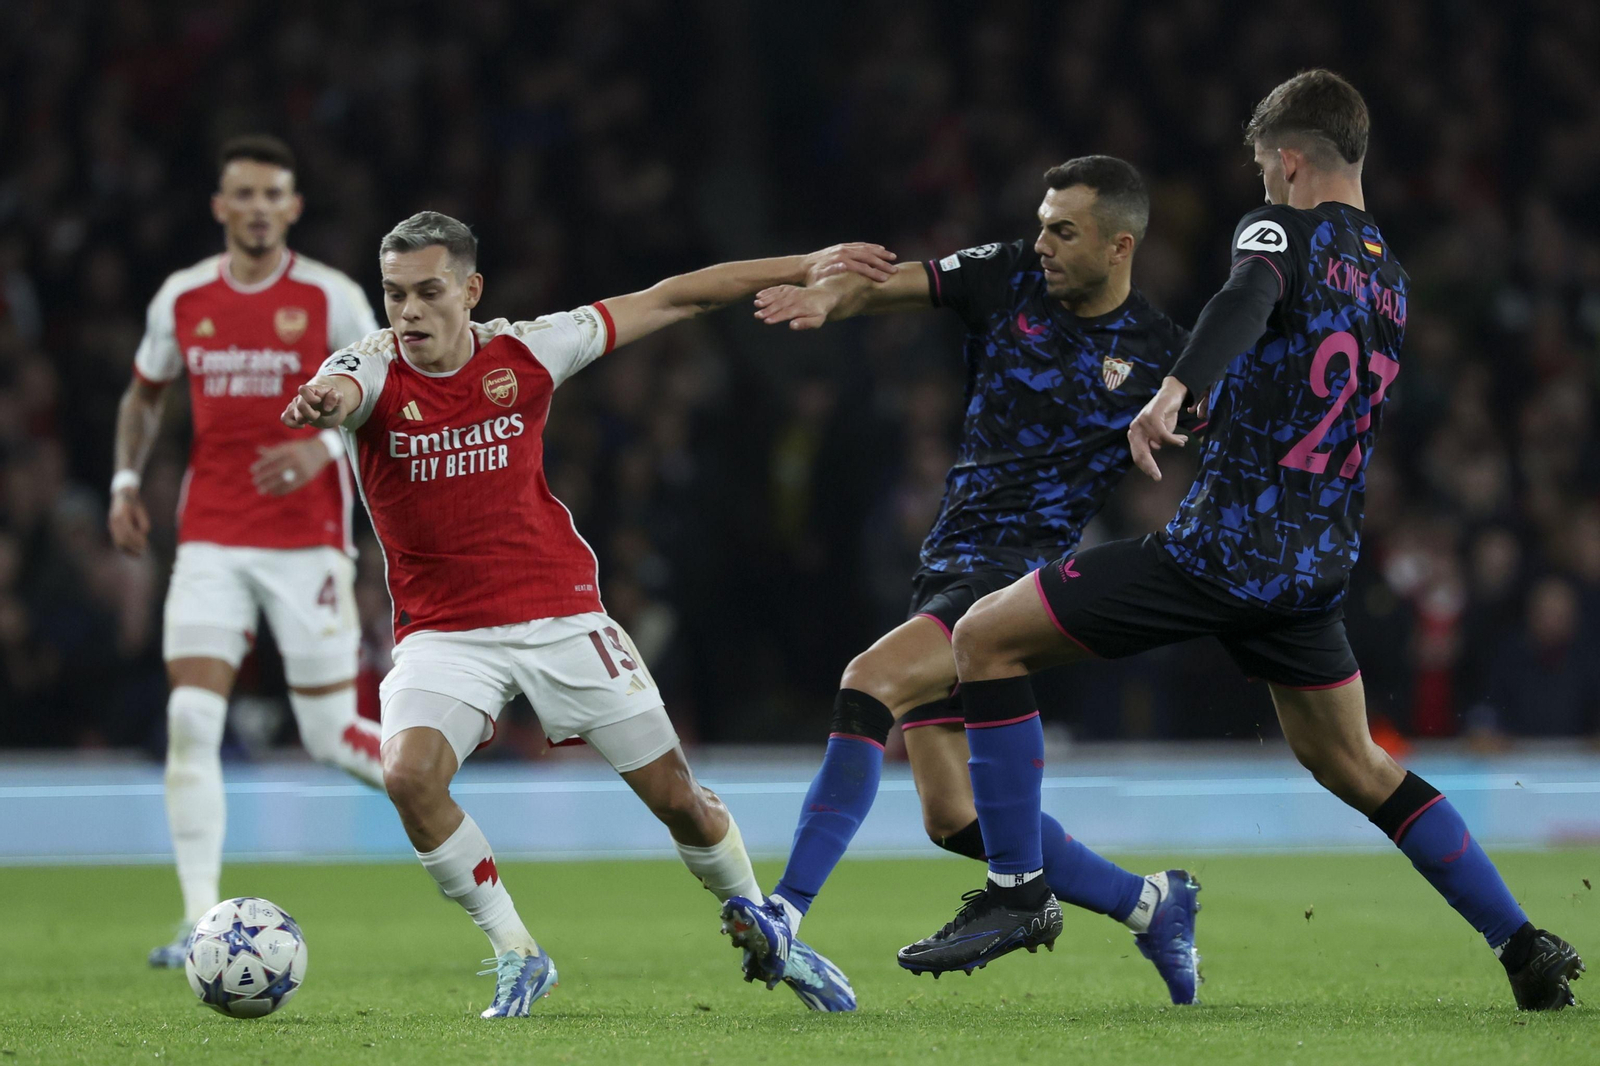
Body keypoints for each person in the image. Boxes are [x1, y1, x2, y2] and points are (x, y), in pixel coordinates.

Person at [903, 70, 1585, 1012]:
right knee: (1357, 764)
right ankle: (1524, 943)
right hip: (1313, 570)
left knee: (982, 637)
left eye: (1268, 169)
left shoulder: (1279, 231)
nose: (1264, 186)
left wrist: (1178, 388)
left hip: (1217, 553)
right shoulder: (1390, 277)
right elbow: (1302, 369)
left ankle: (1019, 891)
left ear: (1293, 161)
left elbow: (1247, 297)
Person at [282, 211, 893, 1017]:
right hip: (445, 634)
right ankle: (517, 952)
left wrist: (805, 258)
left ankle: (767, 924)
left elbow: (674, 297)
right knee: (408, 777)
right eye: (395, 295)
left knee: (679, 800)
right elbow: (342, 386)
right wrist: (324, 401)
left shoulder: (528, 350)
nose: (410, 313)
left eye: (430, 292)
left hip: (561, 616)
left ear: (470, 290)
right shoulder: (369, 366)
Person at [724, 157, 1201, 1003]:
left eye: (1064, 229)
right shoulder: (1005, 275)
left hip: (1016, 583)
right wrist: (830, 297)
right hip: (949, 562)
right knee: (954, 818)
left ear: (1119, 244)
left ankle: (785, 913)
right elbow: (888, 288)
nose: (1043, 241)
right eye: (1042, 222)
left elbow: (1224, 433)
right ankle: (1152, 904)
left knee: (867, 681)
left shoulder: (1162, 354)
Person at [109, 135, 387, 967]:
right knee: (191, 716)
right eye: (245, 194)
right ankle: (200, 925)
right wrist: (126, 480)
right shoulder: (184, 298)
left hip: (307, 544)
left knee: (332, 733)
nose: (259, 207)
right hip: (212, 541)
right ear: (221, 206)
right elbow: (143, 394)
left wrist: (322, 448)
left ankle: (440, 791)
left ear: (293, 207)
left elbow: (385, 392)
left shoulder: (332, 298)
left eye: (274, 194)